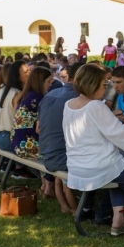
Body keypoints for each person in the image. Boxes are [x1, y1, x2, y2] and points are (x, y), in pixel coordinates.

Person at [63, 64, 124, 236]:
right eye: (104, 84)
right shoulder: (95, 106)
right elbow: (122, 135)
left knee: (120, 169)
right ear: (93, 83)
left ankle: (117, 222)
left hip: (77, 165)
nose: (107, 88)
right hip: (96, 166)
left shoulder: (69, 104)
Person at [39, 63, 86, 215]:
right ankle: (89, 207)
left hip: (46, 154)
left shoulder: (50, 95)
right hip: (62, 158)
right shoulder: (79, 99)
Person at [11, 67, 53, 193]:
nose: (51, 85)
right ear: (41, 82)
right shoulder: (39, 98)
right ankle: (49, 187)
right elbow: (41, 128)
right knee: (53, 152)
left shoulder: (27, 95)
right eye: (49, 82)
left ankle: (45, 184)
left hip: (17, 143)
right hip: (27, 145)